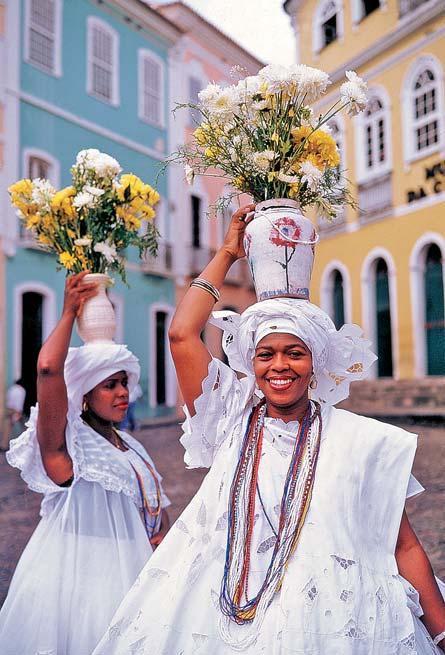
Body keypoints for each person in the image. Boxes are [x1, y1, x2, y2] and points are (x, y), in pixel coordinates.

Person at [93, 207, 445, 655]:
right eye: (267, 355)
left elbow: (404, 544)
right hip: (225, 614)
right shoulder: (229, 416)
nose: (280, 366)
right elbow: (182, 334)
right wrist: (227, 252)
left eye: (295, 353)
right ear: (251, 363)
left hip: (336, 619)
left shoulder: (363, 439)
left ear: (315, 362)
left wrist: (441, 632)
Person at [0, 272, 170, 655]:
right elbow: (47, 369)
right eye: (110, 385)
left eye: (124, 382)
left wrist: (162, 537)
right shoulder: (68, 448)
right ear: (85, 395)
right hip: (79, 582)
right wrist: (67, 313)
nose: (123, 392)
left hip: (136, 575)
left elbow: (155, 507)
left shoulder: (131, 445)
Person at [0, 378, 26, 451]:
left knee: (7, 428)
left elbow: (8, 400)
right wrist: (18, 412)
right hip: (16, 411)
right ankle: (26, 444)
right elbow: (19, 402)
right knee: (26, 428)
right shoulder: (21, 390)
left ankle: (3, 445)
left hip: (9, 409)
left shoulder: (11, 389)